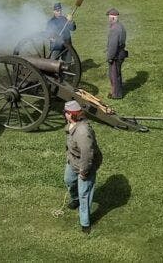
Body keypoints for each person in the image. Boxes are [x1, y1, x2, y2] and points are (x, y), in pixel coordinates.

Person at [62, 100, 102, 234]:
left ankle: (85, 223)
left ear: (72, 114)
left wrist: (84, 172)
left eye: (66, 112)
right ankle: (75, 200)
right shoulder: (71, 123)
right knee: (68, 180)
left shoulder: (83, 132)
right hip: (73, 161)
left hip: (86, 164)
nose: (64, 114)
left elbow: (87, 155)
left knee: (84, 193)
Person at [105, 8, 127, 99]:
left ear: (113, 18)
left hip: (116, 55)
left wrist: (110, 57)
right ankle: (116, 92)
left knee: (114, 75)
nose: (108, 20)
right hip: (120, 53)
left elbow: (113, 45)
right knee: (117, 74)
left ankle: (116, 95)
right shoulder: (120, 26)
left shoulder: (115, 29)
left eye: (109, 18)